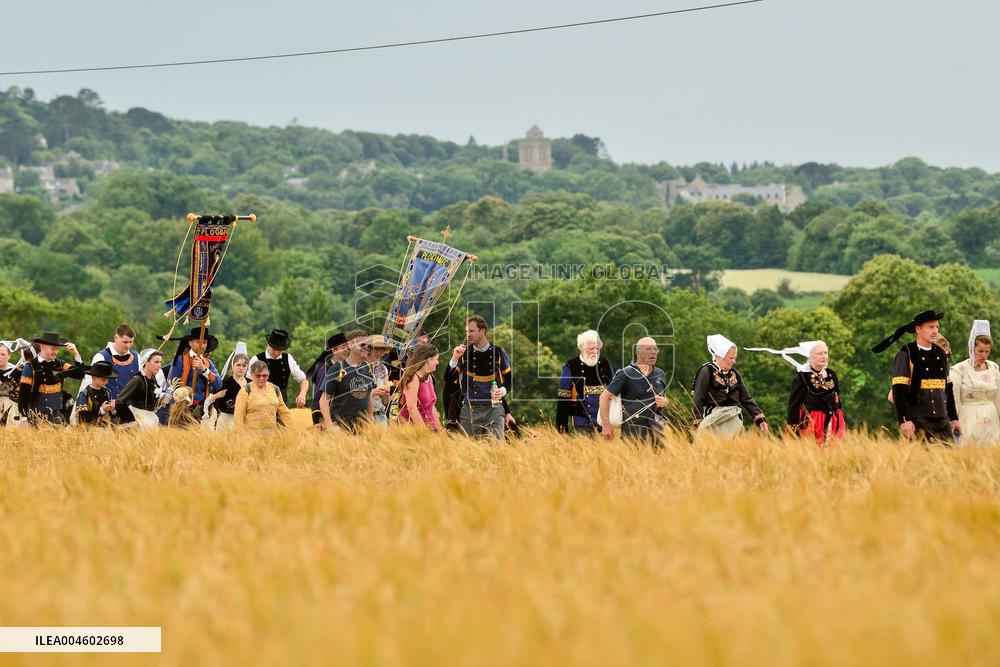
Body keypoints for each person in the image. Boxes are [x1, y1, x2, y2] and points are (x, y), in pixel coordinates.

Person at [872, 310, 960, 443]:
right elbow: (898, 392)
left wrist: (954, 418)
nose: (935, 331)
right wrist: (904, 420)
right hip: (919, 423)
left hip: (943, 422)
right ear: (918, 329)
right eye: (931, 327)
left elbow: (948, 389)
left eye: (937, 327)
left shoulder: (941, 353)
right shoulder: (906, 353)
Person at [691, 334, 768, 437]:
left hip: (734, 419)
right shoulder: (706, 371)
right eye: (731, 358)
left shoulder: (734, 374)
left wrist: (760, 419)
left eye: (735, 358)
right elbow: (698, 399)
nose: (734, 361)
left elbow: (745, 398)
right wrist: (698, 423)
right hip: (714, 419)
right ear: (720, 356)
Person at [448, 316, 512, 440]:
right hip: (469, 410)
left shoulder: (498, 352)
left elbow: (509, 380)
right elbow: (450, 380)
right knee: (468, 453)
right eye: (467, 331)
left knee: (497, 450)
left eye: (471, 331)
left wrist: (502, 391)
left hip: (494, 410)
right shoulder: (464, 353)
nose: (468, 335)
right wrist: (454, 359)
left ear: (483, 331)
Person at [600, 337, 669, 444]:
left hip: (657, 434)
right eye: (648, 349)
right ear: (638, 352)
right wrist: (606, 425)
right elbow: (604, 397)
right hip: (632, 435)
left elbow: (663, 398)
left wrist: (665, 402)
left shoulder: (660, 374)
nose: (653, 352)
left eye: (655, 349)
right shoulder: (625, 373)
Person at [18, 332, 86, 427]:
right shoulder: (30, 366)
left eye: (57, 349)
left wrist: (76, 354)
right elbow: (23, 395)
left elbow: (79, 374)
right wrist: (24, 418)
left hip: (57, 416)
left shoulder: (60, 364)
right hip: (36, 416)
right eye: (53, 348)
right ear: (42, 346)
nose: (55, 352)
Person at [784, 342, 846, 445]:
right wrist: (793, 429)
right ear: (810, 357)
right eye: (819, 353)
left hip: (834, 421)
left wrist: (839, 418)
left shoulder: (831, 374)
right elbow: (793, 405)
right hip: (812, 423)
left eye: (825, 353)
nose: (824, 356)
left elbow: (837, 398)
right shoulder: (802, 378)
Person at [949, 321, 1000, 446]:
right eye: (980, 351)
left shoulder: (994, 368)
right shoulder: (959, 370)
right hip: (968, 418)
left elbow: (998, 397)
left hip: (992, 418)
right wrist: (954, 421)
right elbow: (954, 399)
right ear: (972, 348)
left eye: (987, 351)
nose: (984, 355)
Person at [76, 324, 140, 423]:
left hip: (131, 413)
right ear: (116, 338)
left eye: (131, 342)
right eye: (125, 342)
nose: (128, 345)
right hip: (106, 415)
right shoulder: (101, 356)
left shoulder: (137, 357)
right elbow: (89, 387)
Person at [556, 330, 615, 434]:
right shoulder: (571, 365)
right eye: (591, 348)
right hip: (581, 418)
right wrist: (562, 424)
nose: (595, 352)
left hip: (604, 418)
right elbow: (563, 396)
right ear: (581, 347)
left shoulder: (605, 363)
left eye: (597, 348)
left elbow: (615, 389)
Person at [319, 330, 377, 432]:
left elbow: (370, 395)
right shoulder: (338, 368)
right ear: (350, 345)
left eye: (369, 345)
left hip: (362, 431)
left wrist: (371, 420)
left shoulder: (368, 368)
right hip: (341, 430)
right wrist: (329, 426)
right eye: (362, 344)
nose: (366, 348)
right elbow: (323, 399)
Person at [166, 328, 223, 419]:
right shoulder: (180, 360)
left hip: (202, 409)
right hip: (182, 408)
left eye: (204, 342)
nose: (202, 345)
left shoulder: (208, 363)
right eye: (198, 342)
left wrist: (204, 369)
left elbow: (218, 385)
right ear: (190, 343)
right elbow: (171, 384)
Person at [253, 329, 309, 407]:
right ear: (269, 345)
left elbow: (303, 379)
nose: (276, 353)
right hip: (260, 406)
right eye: (274, 349)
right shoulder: (256, 359)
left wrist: (302, 395)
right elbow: (247, 383)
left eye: (280, 350)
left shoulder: (288, 358)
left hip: (282, 407)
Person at [115, 349, 169, 429]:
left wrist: (162, 398)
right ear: (146, 362)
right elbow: (120, 401)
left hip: (150, 419)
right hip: (139, 419)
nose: (159, 365)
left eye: (160, 362)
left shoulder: (152, 378)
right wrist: (131, 421)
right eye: (156, 362)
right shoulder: (138, 379)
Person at [234, 360, 292, 433]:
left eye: (264, 375)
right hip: (251, 435)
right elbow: (239, 415)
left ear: (268, 374)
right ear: (251, 375)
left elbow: (284, 412)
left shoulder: (275, 389)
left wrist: (292, 429)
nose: (261, 378)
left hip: (272, 435)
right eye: (258, 376)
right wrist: (239, 435)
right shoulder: (245, 390)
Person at [307, 332, 349, 427]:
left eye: (347, 347)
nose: (346, 350)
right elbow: (318, 395)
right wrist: (317, 420)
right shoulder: (325, 369)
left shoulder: (346, 367)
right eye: (343, 347)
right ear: (334, 350)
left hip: (343, 416)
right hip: (328, 418)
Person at [399, 343, 442, 431]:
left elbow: (431, 406)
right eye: (436, 359)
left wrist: (438, 428)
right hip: (414, 429)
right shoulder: (413, 378)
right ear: (429, 359)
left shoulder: (429, 377)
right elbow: (412, 408)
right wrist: (423, 432)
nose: (438, 362)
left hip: (430, 427)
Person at [209, 352, 249, 431]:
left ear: (247, 368)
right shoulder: (225, 383)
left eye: (244, 366)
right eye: (238, 365)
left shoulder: (251, 384)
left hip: (246, 420)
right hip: (227, 420)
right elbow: (217, 403)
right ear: (233, 366)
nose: (241, 368)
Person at [75, 361, 117, 427]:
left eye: (107, 379)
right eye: (103, 379)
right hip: (89, 433)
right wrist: (102, 410)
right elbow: (82, 419)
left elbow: (113, 417)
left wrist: (113, 409)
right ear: (94, 377)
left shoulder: (107, 392)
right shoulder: (84, 394)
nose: (106, 382)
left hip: (107, 431)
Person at [0, 339, 30, 427]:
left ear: (9, 356)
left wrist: (27, 347)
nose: (0, 356)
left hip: (11, 415)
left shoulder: (16, 371)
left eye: (3, 354)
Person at [366, 336, 393, 426]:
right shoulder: (359, 367)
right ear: (369, 349)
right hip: (363, 415)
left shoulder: (383, 369)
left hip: (380, 415)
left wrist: (386, 391)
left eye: (382, 351)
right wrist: (371, 392)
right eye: (376, 350)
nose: (379, 353)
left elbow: (385, 401)